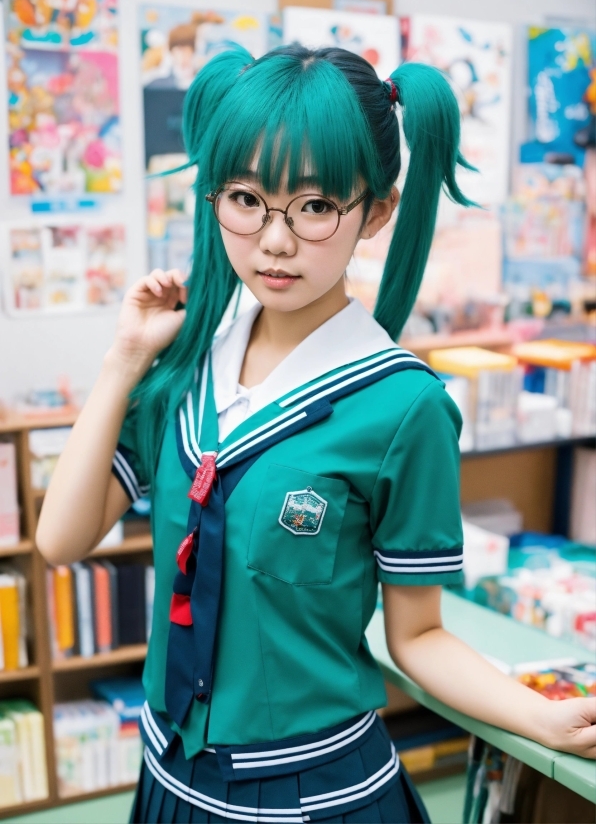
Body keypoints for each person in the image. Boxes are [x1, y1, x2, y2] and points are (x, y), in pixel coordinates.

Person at [37, 45, 596, 824]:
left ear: (376, 210)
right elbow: (61, 539)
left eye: (314, 206)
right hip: (167, 781)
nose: (274, 239)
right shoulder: (189, 360)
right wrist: (124, 359)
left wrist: (539, 717)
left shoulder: (403, 408)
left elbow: (419, 634)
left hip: (313, 799)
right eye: (245, 197)